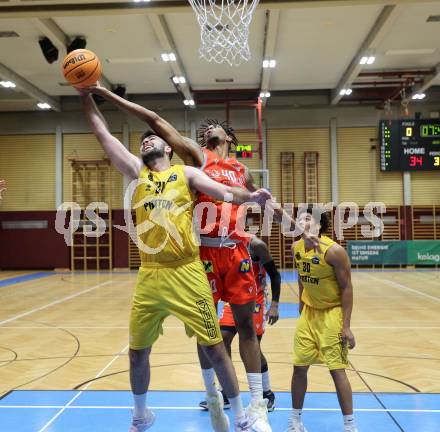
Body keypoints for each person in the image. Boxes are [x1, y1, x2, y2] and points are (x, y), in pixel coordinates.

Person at [78, 88, 273, 432]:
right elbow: (102, 133)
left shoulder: (186, 174)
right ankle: (141, 416)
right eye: (142, 142)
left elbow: (226, 192)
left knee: (215, 347)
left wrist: (251, 196)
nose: (145, 143)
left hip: (187, 270)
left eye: (151, 140)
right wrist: (85, 94)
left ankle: (241, 416)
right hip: (151, 275)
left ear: (168, 147)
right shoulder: (137, 174)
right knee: (137, 352)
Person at [286, 206, 358, 432]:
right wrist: (301, 306)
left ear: (319, 225)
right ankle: (295, 422)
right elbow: (300, 278)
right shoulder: (295, 247)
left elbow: (347, 288)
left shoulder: (334, 252)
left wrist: (346, 326)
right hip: (309, 312)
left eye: (306, 218)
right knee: (299, 367)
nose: (301, 222)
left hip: (332, 313)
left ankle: (350, 426)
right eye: (299, 218)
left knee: (337, 369)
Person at [200, 234, 281, 412]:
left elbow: (275, 275)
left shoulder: (256, 245)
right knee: (223, 338)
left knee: (253, 349)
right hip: (234, 298)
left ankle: (266, 393)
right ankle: (227, 392)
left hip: (255, 299)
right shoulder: (218, 244)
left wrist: (274, 305)